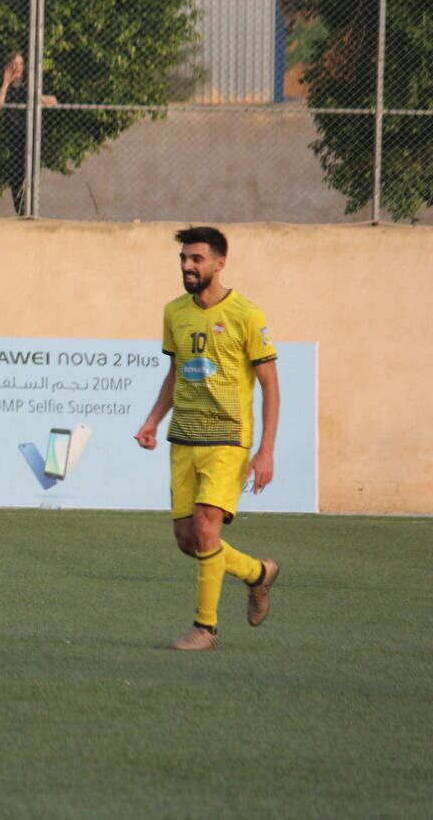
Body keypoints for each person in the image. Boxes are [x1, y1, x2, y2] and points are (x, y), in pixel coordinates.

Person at [133, 226, 281, 652]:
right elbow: (176, 372)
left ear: (220, 263)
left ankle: (205, 628)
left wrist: (265, 450)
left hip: (228, 439)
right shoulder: (174, 312)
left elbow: (270, 385)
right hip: (184, 438)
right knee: (189, 540)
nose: (187, 266)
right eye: (184, 259)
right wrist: (152, 421)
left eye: (196, 259)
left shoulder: (247, 315)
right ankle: (257, 573)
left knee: (205, 527)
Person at [0, 52, 55, 217]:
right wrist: (5, 83)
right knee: (15, 179)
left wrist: (36, 96)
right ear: (8, 66)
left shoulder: (30, 82)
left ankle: (30, 211)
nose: (18, 67)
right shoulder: (5, 85)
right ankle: (22, 212)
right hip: (14, 139)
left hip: (30, 137)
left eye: (20, 63)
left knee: (28, 177)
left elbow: (53, 101)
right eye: (14, 63)